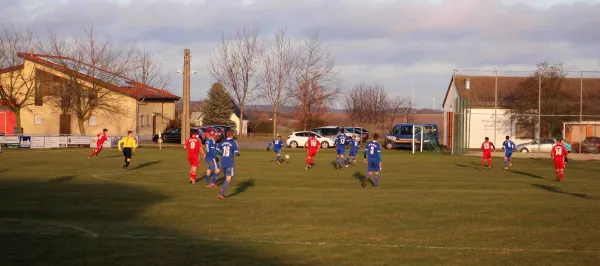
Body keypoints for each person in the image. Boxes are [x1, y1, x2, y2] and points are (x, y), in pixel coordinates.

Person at [216, 130, 240, 199]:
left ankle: (222, 190)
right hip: (229, 162)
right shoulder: (234, 142)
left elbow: (217, 151)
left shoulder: (222, 141)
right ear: (233, 134)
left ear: (227, 134)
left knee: (226, 178)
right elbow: (236, 153)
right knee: (228, 179)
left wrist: (222, 154)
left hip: (223, 162)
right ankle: (221, 193)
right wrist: (238, 154)